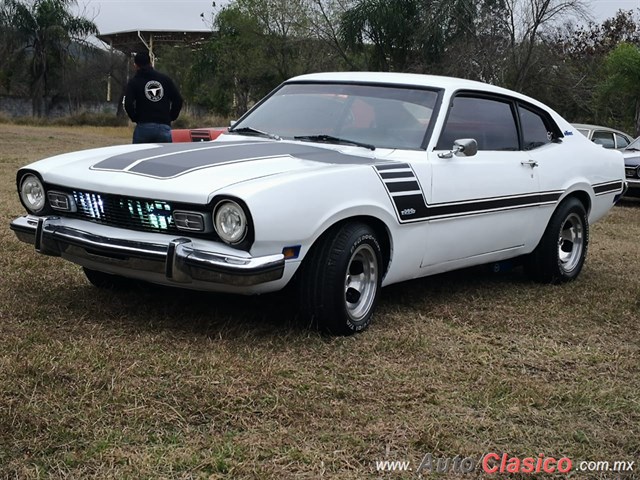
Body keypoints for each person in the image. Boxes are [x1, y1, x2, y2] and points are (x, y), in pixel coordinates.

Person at [124, 52, 183, 143]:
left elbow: (128, 104)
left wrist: (135, 118)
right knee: (163, 156)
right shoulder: (165, 80)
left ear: (135, 65)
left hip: (143, 126)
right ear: (150, 63)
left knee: (141, 156)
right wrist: (171, 117)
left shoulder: (134, 82)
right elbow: (178, 100)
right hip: (163, 126)